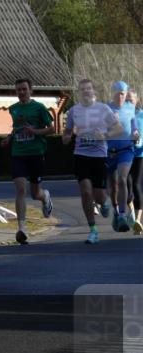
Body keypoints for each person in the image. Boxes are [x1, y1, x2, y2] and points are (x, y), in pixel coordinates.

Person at [62, 79, 121, 244]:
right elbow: (66, 133)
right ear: (79, 93)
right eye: (82, 89)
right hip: (81, 156)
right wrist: (67, 137)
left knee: (100, 196)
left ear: (93, 91)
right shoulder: (74, 111)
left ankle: (104, 203)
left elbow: (118, 129)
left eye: (88, 89)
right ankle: (93, 230)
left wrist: (105, 136)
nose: (86, 92)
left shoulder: (103, 109)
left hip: (99, 157)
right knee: (86, 192)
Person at [0, 78, 54, 244]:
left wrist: (35, 131)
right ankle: (22, 229)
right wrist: (8, 138)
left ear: (31, 90)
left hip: (36, 153)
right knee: (21, 190)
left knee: (35, 193)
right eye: (18, 90)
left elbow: (52, 129)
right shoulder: (14, 109)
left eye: (24, 89)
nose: (21, 92)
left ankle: (45, 197)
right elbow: (16, 128)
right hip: (18, 154)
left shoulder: (39, 108)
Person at [106, 81, 139, 232]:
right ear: (112, 93)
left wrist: (136, 133)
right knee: (112, 186)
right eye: (118, 93)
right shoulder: (106, 109)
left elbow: (134, 127)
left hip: (126, 149)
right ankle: (115, 209)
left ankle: (122, 215)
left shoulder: (130, 108)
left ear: (126, 95)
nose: (120, 96)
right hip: (109, 151)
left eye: (123, 93)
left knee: (122, 178)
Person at [128, 89, 143, 235]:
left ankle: (138, 220)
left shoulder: (142, 115)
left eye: (131, 99)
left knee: (137, 185)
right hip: (125, 155)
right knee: (127, 185)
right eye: (127, 99)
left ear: (136, 100)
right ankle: (131, 214)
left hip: (140, 155)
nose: (129, 101)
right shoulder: (122, 116)